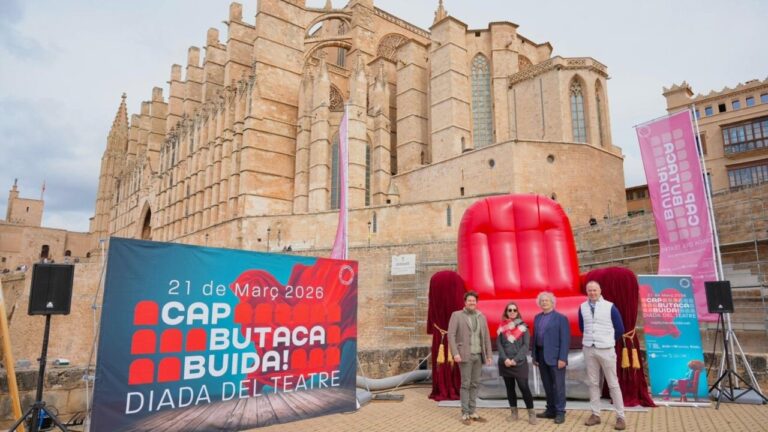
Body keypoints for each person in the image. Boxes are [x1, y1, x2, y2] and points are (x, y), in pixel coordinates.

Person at [579, 281, 626, 430]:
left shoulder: (610, 306)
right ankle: (595, 414)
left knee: (613, 383)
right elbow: (582, 326)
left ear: (600, 290)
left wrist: (608, 340)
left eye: (594, 290)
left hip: (606, 349)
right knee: (592, 383)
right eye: (589, 290)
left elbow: (620, 328)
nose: (592, 293)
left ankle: (620, 417)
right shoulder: (582, 307)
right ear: (587, 292)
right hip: (589, 349)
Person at [448, 291, 493, 426]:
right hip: (464, 356)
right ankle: (465, 413)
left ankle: (473, 411)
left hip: (478, 355)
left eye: (474, 301)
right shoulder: (457, 315)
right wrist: (455, 353)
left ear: (476, 302)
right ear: (465, 302)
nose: (472, 303)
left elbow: (486, 338)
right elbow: (451, 335)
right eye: (469, 301)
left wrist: (489, 355)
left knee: (475, 384)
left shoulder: (481, 317)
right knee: (465, 384)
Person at [532, 291, 570, 424]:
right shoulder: (537, 317)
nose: (544, 302)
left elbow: (565, 340)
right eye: (542, 301)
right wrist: (534, 356)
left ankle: (560, 412)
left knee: (558, 386)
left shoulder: (561, 318)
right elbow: (535, 338)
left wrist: (563, 358)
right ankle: (550, 410)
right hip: (541, 355)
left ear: (552, 302)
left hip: (556, 357)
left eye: (546, 300)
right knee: (547, 385)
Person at [496, 302, 536, 425]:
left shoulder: (524, 327)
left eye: (514, 310)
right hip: (505, 363)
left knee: (524, 387)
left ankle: (531, 413)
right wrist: (505, 359)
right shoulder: (501, 327)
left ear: (517, 312)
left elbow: (525, 346)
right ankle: (514, 413)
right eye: (509, 310)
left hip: (519, 363)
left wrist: (515, 360)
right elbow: (499, 345)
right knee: (510, 388)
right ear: (506, 312)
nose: (512, 312)